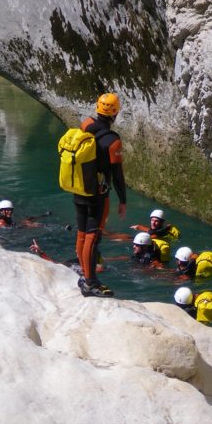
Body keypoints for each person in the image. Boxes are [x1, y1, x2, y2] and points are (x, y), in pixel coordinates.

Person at [74, 93, 127, 298]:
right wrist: (122, 200)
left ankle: (84, 272)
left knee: (81, 232)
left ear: (97, 108)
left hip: (79, 187)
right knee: (92, 236)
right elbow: (117, 175)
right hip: (97, 192)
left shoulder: (85, 125)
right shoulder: (113, 141)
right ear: (115, 113)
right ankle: (89, 282)